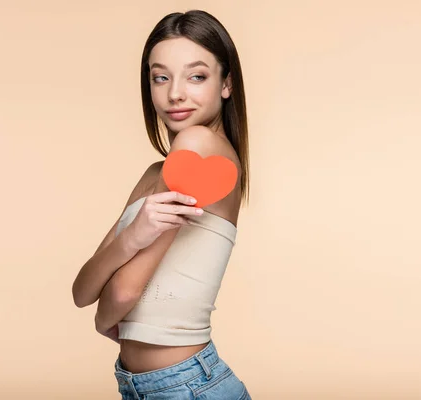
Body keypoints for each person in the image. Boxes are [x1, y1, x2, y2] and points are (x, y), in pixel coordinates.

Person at [72, 10, 252, 400]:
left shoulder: (198, 148)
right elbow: (82, 291)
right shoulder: (157, 170)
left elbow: (115, 298)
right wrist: (132, 237)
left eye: (197, 76)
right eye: (161, 77)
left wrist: (106, 316)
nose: (175, 93)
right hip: (151, 386)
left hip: (186, 387)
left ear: (227, 84)